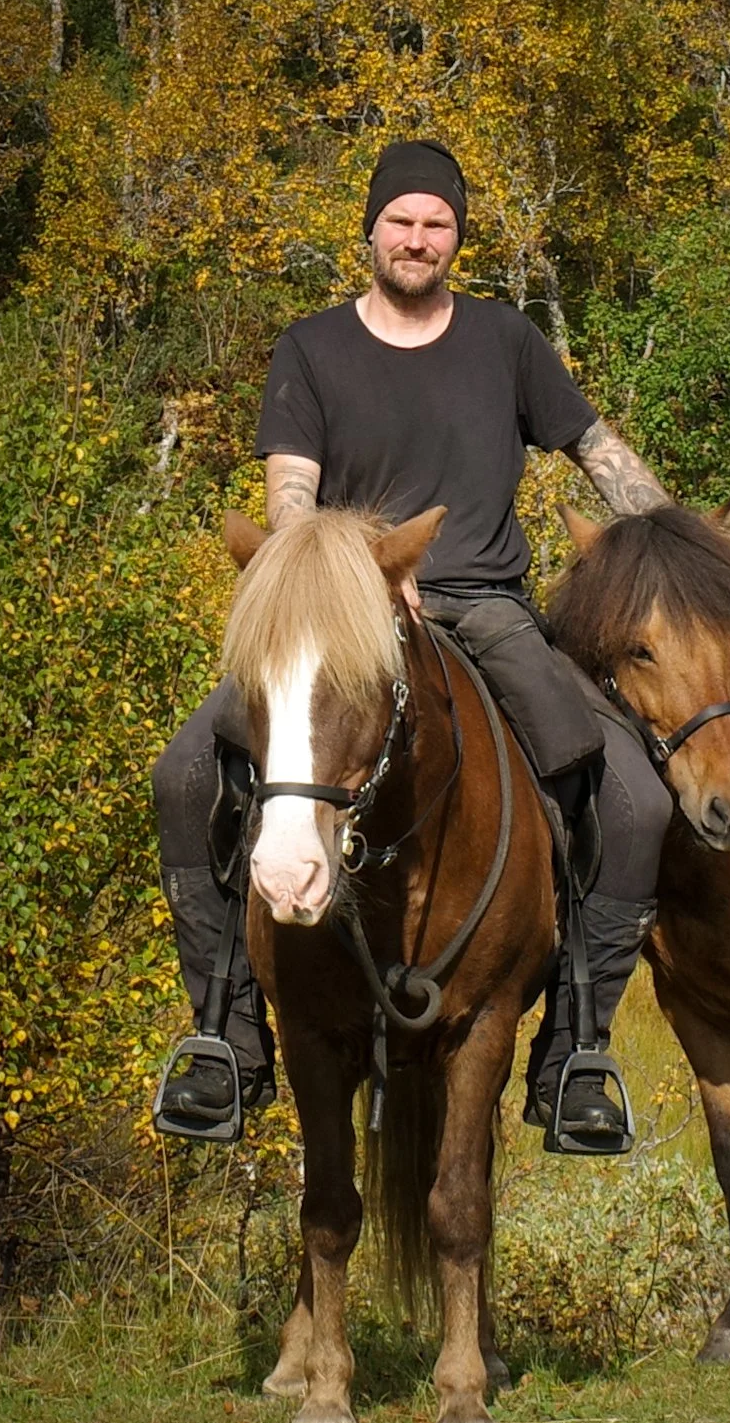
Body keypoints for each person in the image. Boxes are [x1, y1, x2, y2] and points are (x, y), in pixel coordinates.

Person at [150, 138, 673, 1153]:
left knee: (635, 798)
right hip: (342, 610)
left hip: (485, 606)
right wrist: (363, 575)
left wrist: (675, 537)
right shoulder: (310, 349)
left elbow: (600, 453)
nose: (419, 238)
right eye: (402, 221)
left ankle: (574, 1053)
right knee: (183, 780)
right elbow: (290, 500)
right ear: (371, 231)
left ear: (457, 239)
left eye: (437, 224)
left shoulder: (506, 342)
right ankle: (225, 1040)